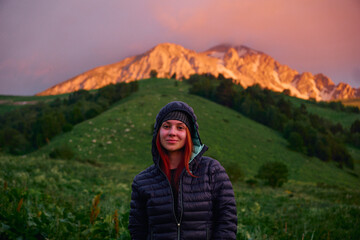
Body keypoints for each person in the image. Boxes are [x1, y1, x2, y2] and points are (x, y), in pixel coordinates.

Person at [129, 101, 237, 239]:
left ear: (190, 134)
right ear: (158, 132)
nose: (172, 133)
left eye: (180, 128)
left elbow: (227, 222)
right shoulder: (142, 181)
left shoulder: (212, 171)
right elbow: (137, 230)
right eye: (166, 126)